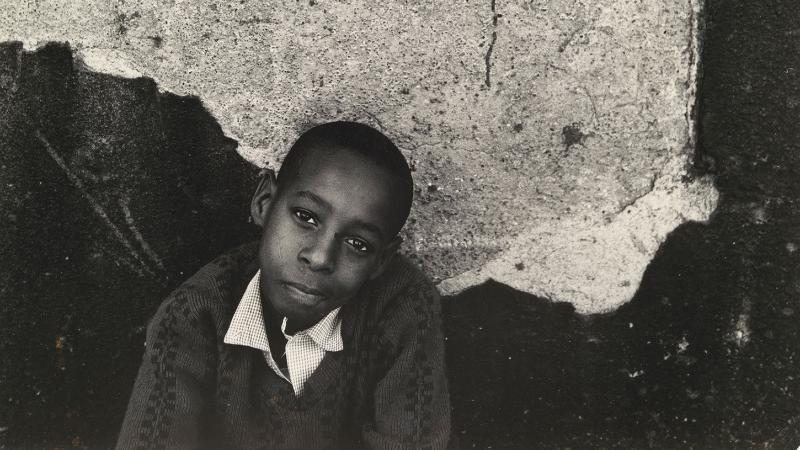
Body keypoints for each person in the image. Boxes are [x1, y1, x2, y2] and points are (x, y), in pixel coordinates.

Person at [116, 121, 450, 449]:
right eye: (306, 217)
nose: (320, 258)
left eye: (358, 244)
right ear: (264, 202)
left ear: (381, 260)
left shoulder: (404, 307)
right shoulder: (195, 313)